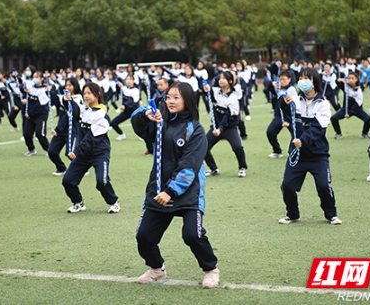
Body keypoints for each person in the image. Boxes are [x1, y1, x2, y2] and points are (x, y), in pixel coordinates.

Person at [131, 82, 219, 289]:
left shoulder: (195, 129)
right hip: (158, 189)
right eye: (168, 97)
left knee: (192, 234)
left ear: (187, 101)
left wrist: (171, 191)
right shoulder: (159, 123)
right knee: (144, 236)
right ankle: (156, 269)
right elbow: (138, 125)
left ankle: (210, 269)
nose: (170, 101)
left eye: (176, 97)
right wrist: (146, 115)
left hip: (186, 190)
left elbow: (189, 165)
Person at [278, 67, 342, 225]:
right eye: (300, 78)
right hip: (297, 154)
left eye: (306, 78)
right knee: (287, 186)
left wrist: (303, 140)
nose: (302, 81)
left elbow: (317, 129)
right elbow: (284, 111)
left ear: (315, 81)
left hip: (317, 155)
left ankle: (331, 214)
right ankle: (292, 214)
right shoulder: (295, 99)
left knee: (323, 186)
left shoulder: (323, 104)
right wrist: (284, 103)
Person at [61, 83, 120, 214]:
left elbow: (91, 138)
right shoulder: (84, 110)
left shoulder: (102, 114)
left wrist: (76, 151)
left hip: (99, 153)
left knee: (102, 182)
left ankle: (113, 202)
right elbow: (74, 110)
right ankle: (78, 202)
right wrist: (67, 100)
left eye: (89, 93)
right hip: (84, 155)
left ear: (97, 95)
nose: (86, 96)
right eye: (84, 93)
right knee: (68, 180)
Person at [203, 71, 248, 178]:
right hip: (216, 126)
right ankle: (213, 168)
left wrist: (220, 129)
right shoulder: (216, 91)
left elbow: (227, 116)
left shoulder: (233, 98)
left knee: (237, 146)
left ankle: (242, 167)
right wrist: (206, 89)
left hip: (229, 127)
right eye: (220, 78)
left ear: (230, 81)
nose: (221, 80)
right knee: (203, 146)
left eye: (224, 78)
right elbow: (209, 94)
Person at [47, 78, 83, 176]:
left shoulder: (79, 98)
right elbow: (55, 99)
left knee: (70, 153)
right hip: (61, 129)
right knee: (52, 151)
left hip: (73, 129)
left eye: (70, 85)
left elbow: (76, 113)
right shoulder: (62, 97)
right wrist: (49, 91)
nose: (67, 87)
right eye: (66, 85)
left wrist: (69, 100)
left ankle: (82, 168)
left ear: (75, 86)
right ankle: (61, 168)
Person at [331, 72, 370, 139]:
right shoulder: (345, 86)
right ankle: (338, 133)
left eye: (352, 78)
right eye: (349, 78)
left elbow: (357, 105)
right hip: (345, 108)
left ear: (356, 79)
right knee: (333, 118)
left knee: (368, 119)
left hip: (357, 109)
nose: (350, 80)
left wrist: (349, 114)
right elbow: (337, 82)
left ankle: (364, 134)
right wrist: (340, 80)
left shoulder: (358, 90)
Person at [266, 70, 297, 158]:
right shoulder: (278, 88)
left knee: (296, 135)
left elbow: (289, 107)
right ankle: (277, 151)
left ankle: (294, 152)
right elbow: (267, 88)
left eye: (284, 79)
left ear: (289, 79)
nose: (282, 81)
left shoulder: (292, 90)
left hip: (291, 117)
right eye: (280, 79)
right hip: (279, 116)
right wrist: (272, 83)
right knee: (270, 132)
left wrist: (287, 120)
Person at [23, 72, 50, 156]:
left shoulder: (44, 90)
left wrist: (30, 113)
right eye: (34, 77)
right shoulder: (31, 87)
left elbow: (39, 106)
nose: (35, 79)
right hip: (31, 114)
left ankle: (49, 150)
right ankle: (31, 149)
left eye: (37, 77)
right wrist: (24, 89)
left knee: (40, 134)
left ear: (42, 79)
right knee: (26, 134)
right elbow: (21, 86)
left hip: (41, 114)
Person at [110, 74, 140, 141]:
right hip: (126, 112)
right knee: (113, 123)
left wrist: (125, 105)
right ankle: (121, 135)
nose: (128, 81)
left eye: (130, 79)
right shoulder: (124, 88)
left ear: (133, 81)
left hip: (135, 111)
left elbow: (133, 101)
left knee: (140, 125)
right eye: (127, 79)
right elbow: (119, 90)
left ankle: (143, 136)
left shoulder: (136, 90)